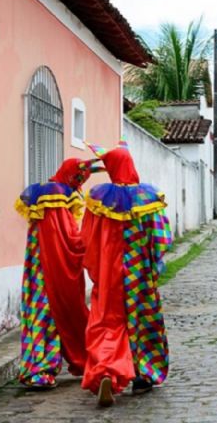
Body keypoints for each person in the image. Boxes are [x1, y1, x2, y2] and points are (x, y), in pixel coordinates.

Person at [80, 142, 173, 407]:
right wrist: (153, 262)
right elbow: (162, 238)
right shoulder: (148, 198)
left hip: (109, 274)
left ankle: (107, 370)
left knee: (107, 321)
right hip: (139, 274)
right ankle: (144, 375)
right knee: (143, 320)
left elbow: (86, 239)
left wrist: (97, 266)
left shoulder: (99, 199)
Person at [14, 157, 99, 388]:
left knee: (39, 312)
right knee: (48, 314)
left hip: (36, 267)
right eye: (79, 178)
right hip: (50, 268)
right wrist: (92, 242)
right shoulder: (58, 196)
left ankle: (38, 368)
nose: (79, 183)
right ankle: (41, 370)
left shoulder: (41, 193)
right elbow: (65, 237)